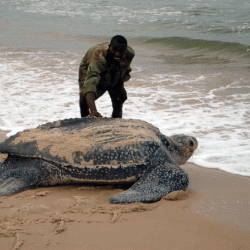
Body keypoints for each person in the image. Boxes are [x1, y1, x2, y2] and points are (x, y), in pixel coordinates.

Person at [78, 35, 135, 118]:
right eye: (114, 49)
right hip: (89, 67)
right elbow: (91, 82)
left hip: (113, 68)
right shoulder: (98, 55)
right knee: (84, 100)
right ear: (109, 47)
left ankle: (116, 121)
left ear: (125, 50)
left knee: (119, 97)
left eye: (121, 51)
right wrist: (94, 111)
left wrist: (120, 88)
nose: (118, 54)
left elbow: (122, 71)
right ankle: (85, 123)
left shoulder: (129, 54)